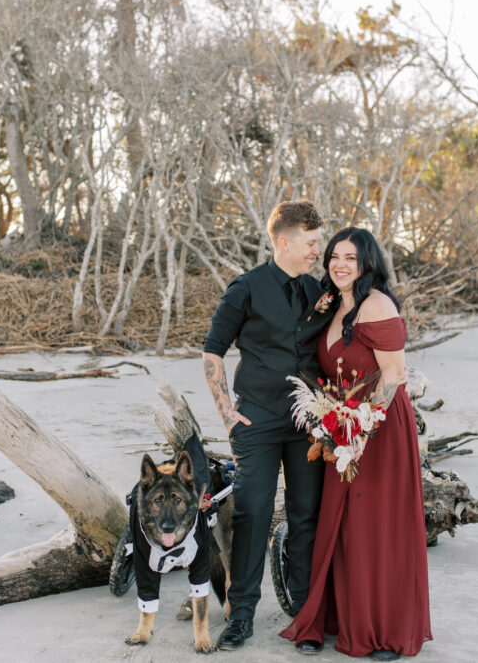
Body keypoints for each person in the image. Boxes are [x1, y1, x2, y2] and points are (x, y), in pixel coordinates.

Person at [280, 227, 432, 660]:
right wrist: (333, 422)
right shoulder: (330, 304)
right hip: (340, 427)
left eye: (350, 257)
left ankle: (384, 631)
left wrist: (363, 427)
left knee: (376, 527)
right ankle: (339, 619)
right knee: (343, 525)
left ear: (367, 264)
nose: (340, 264)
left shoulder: (377, 304)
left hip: (378, 429)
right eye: (334, 257)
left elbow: (393, 376)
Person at [202, 199, 333, 651]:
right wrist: (225, 414)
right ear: (284, 242)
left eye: (319, 243)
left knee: (305, 515)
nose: (318, 251)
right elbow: (213, 350)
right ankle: (240, 616)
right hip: (255, 421)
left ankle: (305, 615)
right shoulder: (246, 288)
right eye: (311, 243)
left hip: (307, 423)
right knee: (253, 513)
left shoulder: (319, 290)